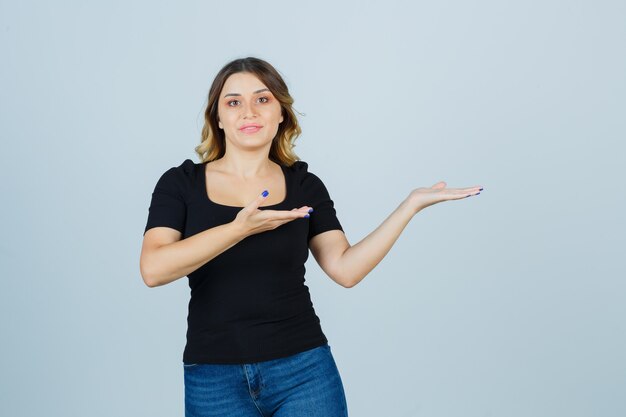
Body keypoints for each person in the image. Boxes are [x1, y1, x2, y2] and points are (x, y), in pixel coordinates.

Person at [140, 56, 483, 417]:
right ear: (218, 118)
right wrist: (237, 229)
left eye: (263, 99)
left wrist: (408, 207)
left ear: (281, 113)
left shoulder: (305, 185)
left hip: (303, 372)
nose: (248, 112)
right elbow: (154, 269)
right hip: (213, 379)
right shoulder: (181, 184)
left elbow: (345, 269)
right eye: (233, 102)